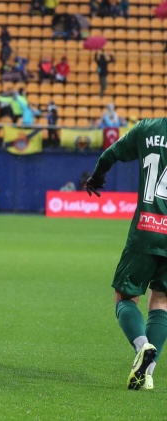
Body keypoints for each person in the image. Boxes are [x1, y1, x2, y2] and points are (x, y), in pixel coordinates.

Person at [82, 116, 167, 391]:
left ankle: (142, 347)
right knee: (161, 300)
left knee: (125, 296)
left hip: (146, 228)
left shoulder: (147, 129)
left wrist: (97, 177)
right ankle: (148, 374)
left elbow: (110, 154)